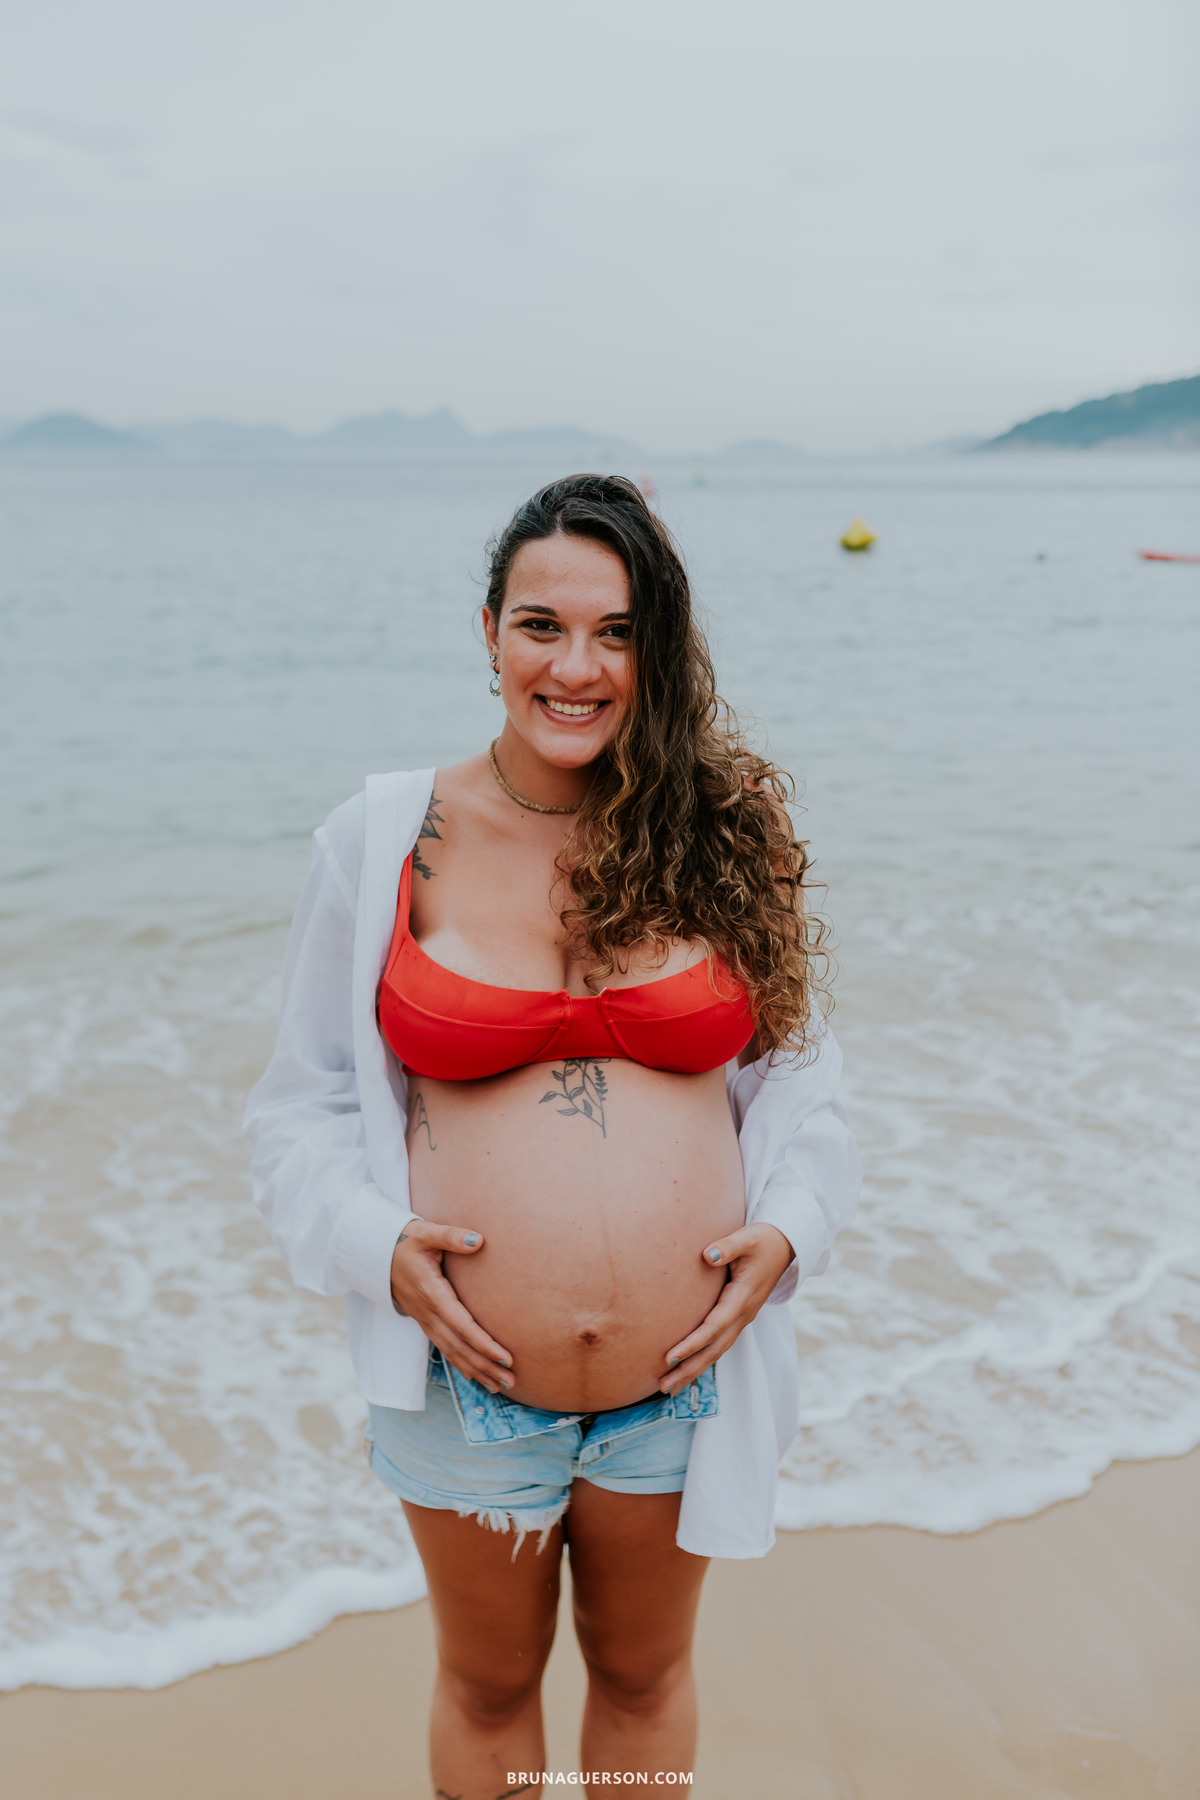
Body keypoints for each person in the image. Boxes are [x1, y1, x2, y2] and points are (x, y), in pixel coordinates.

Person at [245, 473, 860, 1797]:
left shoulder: (726, 832)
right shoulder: (383, 839)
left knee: (643, 1681)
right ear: (487, 635)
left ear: (661, 647)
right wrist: (378, 1247)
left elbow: (802, 1079)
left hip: (685, 1377)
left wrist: (791, 1234)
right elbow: (297, 1106)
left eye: (619, 632)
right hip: (468, 1382)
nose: (576, 666)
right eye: (541, 626)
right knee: (486, 1686)